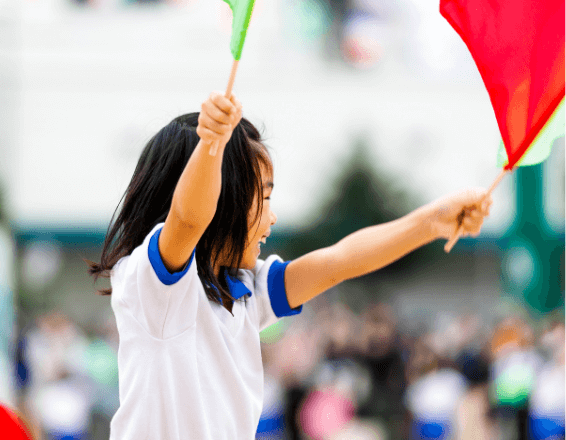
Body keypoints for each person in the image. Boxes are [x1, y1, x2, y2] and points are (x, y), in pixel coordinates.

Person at [87, 91, 493, 439]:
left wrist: (429, 222)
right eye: (263, 197)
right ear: (223, 198)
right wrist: (212, 145)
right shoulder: (154, 288)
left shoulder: (245, 290)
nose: (271, 217)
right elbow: (189, 219)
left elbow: (340, 261)